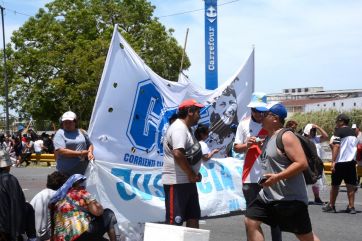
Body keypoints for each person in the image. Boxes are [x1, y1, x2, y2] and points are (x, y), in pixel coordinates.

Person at [245, 102, 320, 241]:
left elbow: (301, 163)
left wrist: (277, 177)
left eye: (265, 114)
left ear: (275, 118)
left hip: (290, 199)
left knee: (306, 237)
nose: (261, 116)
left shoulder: (286, 136)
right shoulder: (268, 138)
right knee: (251, 221)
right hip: (268, 197)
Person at [233, 93, 282, 241]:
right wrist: (247, 145)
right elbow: (236, 147)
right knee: (251, 219)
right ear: (251, 109)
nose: (259, 115)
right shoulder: (243, 124)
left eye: (262, 111)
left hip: (271, 176)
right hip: (250, 178)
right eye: (256, 111)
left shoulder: (272, 124)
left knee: (275, 218)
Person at [162, 99, 204, 228]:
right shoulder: (179, 128)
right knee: (175, 224)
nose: (199, 115)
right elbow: (178, 154)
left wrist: (195, 173)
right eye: (198, 111)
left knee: (193, 218)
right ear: (190, 111)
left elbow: (187, 155)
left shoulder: (186, 129)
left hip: (187, 182)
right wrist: (191, 173)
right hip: (177, 183)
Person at [49, 174, 119, 241]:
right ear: (76, 185)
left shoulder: (60, 198)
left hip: (62, 238)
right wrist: (99, 205)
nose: (82, 185)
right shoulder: (82, 193)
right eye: (81, 183)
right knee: (109, 213)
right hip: (80, 235)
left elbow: (53, 223)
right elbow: (97, 212)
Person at [322, 114, 358, 214]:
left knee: (335, 185)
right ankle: (351, 207)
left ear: (341, 121)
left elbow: (336, 146)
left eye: (337, 121)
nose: (336, 123)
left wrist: (333, 161)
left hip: (340, 162)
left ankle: (332, 205)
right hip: (351, 162)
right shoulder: (353, 133)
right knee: (350, 185)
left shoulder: (338, 131)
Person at [0, 148, 37, 241]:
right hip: (5, 229)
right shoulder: (9, 179)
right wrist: (17, 232)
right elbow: (17, 204)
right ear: (7, 165)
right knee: (28, 207)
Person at [53, 111, 94, 176]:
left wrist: (90, 153)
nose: (67, 124)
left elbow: (90, 144)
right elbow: (61, 151)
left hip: (83, 170)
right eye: (65, 122)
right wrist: (80, 153)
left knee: (82, 186)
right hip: (66, 171)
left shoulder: (82, 131)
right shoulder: (60, 133)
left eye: (70, 122)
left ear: (75, 122)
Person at [30, 171, 68, 241]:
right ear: (62, 186)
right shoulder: (56, 196)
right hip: (44, 235)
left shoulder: (40, 194)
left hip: (32, 233)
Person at [303, 123, 329, 204]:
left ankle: (317, 198)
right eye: (312, 130)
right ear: (307, 131)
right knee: (304, 181)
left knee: (316, 182)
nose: (314, 132)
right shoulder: (303, 139)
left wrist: (318, 127)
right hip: (306, 163)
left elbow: (326, 136)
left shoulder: (316, 139)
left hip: (315, 164)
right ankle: (303, 198)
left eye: (314, 131)